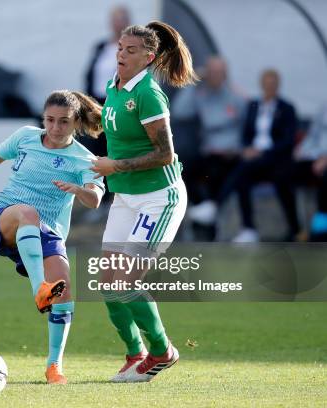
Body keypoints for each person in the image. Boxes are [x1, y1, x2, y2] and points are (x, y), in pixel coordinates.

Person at [0, 90, 104, 384]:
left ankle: (54, 366)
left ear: (75, 123)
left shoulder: (83, 159)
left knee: (66, 289)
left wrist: (80, 191)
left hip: (47, 233)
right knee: (28, 213)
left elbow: (95, 199)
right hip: (4, 217)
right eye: (50, 120)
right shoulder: (26, 137)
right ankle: (39, 289)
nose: (55, 128)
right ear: (42, 118)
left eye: (63, 122)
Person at [90, 21, 197, 382]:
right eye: (120, 47)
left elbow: (165, 154)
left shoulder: (149, 94)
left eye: (131, 50)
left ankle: (162, 351)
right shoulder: (114, 86)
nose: (121, 53)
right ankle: (135, 353)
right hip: (126, 197)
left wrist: (114, 165)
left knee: (125, 281)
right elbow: (115, 125)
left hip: (159, 198)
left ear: (149, 57)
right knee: (107, 284)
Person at [217, 69, 299, 242]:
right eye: (267, 84)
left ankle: (217, 204)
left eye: (273, 84)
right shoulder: (253, 106)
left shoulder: (286, 108)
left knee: (245, 170)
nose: (269, 87)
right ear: (262, 85)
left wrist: (262, 152)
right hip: (254, 160)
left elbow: (287, 140)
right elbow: (247, 134)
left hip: (275, 158)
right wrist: (247, 148)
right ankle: (249, 228)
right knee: (242, 178)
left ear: (278, 86)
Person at [172, 57, 246, 238]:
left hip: (231, 152)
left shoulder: (235, 96)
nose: (215, 77)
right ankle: (201, 216)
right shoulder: (201, 95)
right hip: (208, 151)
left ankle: (209, 214)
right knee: (183, 171)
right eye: (211, 73)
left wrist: (239, 148)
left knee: (217, 174)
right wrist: (193, 81)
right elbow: (179, 111)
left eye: (219, 73)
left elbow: (247, 127)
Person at [80, 5, 131, 222]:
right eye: (115, 20)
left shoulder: (131, 47)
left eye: (122, 20)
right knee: (96, 150)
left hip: (117, 103)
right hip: (97, 103)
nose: (117, 24)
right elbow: (90, 75)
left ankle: (115, 199)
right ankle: (98, 196)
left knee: (116, 150)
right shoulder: (102, 46)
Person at [294, 102, 327, 241]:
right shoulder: (324, 107)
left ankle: (320, 229)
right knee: (287, 172)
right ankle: (297, 229)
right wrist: (300, 151)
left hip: (324, 159)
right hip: (316, 155)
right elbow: (313, 134)